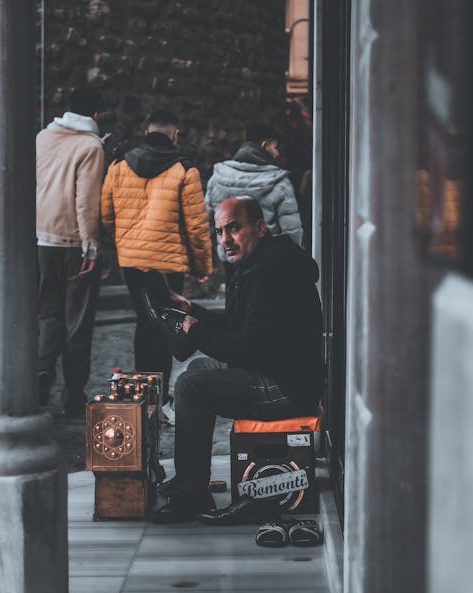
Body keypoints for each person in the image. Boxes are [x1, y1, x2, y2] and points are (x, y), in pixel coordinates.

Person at [152, 196, 325, 523]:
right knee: (198, 370)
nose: (225, 240)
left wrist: (196, 331)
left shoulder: (271, 270)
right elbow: (239, 328)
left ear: (259, 228)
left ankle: (192, 492)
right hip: (276, 372)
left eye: (234, 228)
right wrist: (192, 311)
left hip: (289, 387)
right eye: (219, 232)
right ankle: (191, 481)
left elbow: (246, 349)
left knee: (191, 386)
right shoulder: (254, 264)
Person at [101, 110, 213, 403]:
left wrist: (122, 242)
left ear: (146, 131)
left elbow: (106, 214)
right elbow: (196, 227)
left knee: (143, 319)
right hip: (168, 263)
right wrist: (202, 265)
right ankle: (160, 396)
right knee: (166, 322)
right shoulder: (185, 170)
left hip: (133, 261)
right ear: (175, 134)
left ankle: (143, 393)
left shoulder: (119, 165)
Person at [36, 86, 105, 416]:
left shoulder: (43, 138)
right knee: (77, 320)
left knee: (48, 313)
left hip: (41, 239)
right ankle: (74, 393)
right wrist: (90, 247)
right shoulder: (91, 146)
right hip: (73, 243)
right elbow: (85, 200)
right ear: (95, 116)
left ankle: (41, 372)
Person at [205, 122, 303, 247]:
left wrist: (222, 249)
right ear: (264, 145)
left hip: (230, 259)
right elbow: (292, 235)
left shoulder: (218, 178)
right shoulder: (279, 182)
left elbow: (206, 225)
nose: (277, 154)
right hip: (269, 261)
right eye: (275, 148)